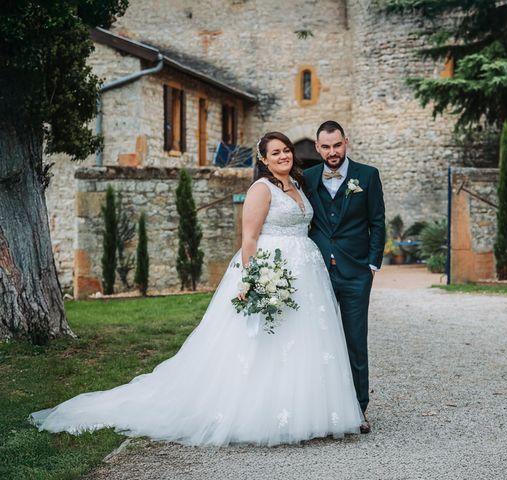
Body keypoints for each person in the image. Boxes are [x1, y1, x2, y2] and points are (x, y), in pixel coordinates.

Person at [30, 132, 363, 447]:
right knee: (265, 343)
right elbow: (248, 238)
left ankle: (310, 412)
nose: (283, 155)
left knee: (304, 340)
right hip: (271, 267)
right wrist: (253, 279)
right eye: (275, 152)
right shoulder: (262, 188)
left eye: (286, 150)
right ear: (263, 158)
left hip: (306, 270)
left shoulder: (298, 184)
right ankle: (262, 414)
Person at [303, 121, 385, 434]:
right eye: (326, 147)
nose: (332, 152)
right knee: (318, 341)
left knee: (354, 341)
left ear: (345, 142)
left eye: (337, 145)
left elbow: (377, 222)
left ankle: (358, 409)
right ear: (317, 147)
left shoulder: (367, 175)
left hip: (356, 273)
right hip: (317, 272)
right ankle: (320, 409)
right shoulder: (307, 178)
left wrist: (372, 265)